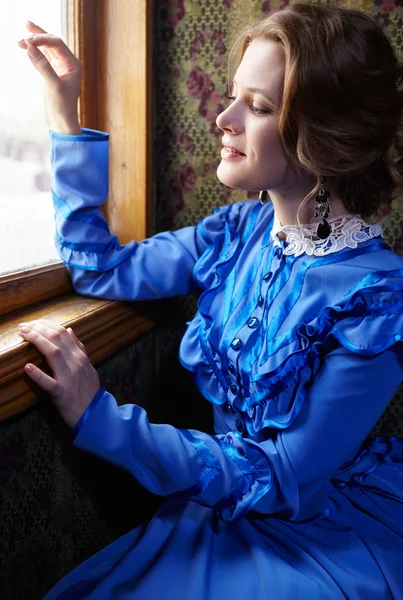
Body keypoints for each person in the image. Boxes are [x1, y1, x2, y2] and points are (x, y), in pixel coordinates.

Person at [17, 4, 403, 599]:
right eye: (231, 96)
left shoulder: (379, 297)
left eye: (259, 106)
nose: (222, 118)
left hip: (313, 534)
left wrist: (103, 419)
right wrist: (66, 113)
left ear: (327, 135)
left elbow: (282, 476)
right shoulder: (230, 234)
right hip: (212, 506)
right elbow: (100, 268)